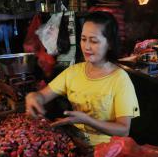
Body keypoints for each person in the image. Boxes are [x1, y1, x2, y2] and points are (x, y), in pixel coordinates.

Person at [25, 11, 140, 146]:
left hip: (107, 150)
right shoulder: (74, 72)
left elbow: (123, 130)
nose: (86, 46)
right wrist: (34, 97)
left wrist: (87, 120)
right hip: (76, 144)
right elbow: (42, 96)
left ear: (109, 44)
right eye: (83, 39)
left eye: (94, 41)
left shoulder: (120, 79)